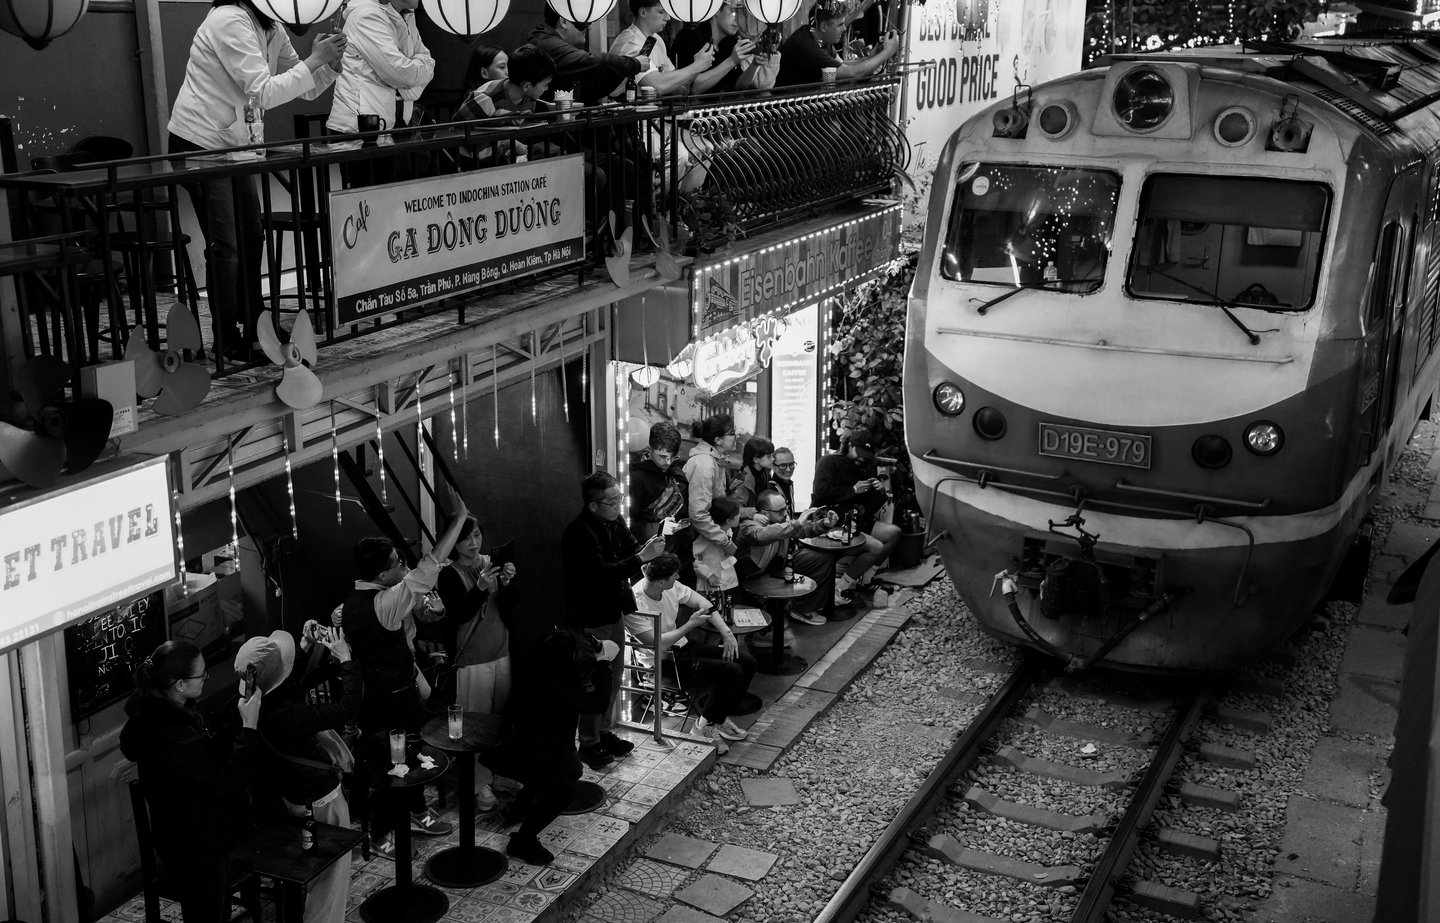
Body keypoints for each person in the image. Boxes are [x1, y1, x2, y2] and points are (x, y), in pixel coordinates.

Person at [167, 0, 345, 359]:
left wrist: (328, 64)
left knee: (251, 236)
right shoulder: (228, 19)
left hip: (233, 145)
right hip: (201, 144)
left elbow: (304, 87)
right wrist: (316, 60)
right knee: (228, 246)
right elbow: (263, 91)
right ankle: (226, 337)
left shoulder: (271, 26)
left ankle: (255, 325)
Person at [343, 487, 469, 856]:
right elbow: (427, 568)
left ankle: (414, 812)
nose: (404, 566)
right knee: (391, 764)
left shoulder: (359, 598)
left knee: (411, 753)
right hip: (385, 701)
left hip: (397, 690)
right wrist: (458, 519)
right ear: (382, 573)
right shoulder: (381, 602)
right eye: (398, 563)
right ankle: (382, 834)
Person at [119, 640, 263, 923]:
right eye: (202, 675)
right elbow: (228, 780)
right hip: (195, 843)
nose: (206, 678)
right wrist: (249, 727)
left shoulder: (158, 712)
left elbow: (208, 750)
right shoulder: (173, 735)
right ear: (180, 684)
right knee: (207, 915)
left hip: (184, 833)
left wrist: (234, 716)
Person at [236, 627, 358, 923]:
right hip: (320, 798)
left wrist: (303, 649)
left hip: (290, 797)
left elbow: (290, 684)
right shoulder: (289, 716)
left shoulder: (250, 705)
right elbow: (348, 707)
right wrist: (346, 661)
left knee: (318, 866)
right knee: (331, 871)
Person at [483, 627, 619, 864]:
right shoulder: (559, 688)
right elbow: (598, 702)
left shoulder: (535, 670)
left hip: (516, 748)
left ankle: (517, 808)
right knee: (562, 792)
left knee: (562, 773)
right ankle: (522, 840)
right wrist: (604, 663)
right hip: (531, 753)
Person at [561, 470, 666, 770]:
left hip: (613, 611)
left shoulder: (614, 521)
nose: (619, 505)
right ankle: (589, 743)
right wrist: (641, 558)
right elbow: (601, 574)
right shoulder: (578, 533)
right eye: (612, 501)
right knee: (594, 682)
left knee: (613, 678)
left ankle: (604, 733)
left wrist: (651, 548)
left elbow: (632, 546)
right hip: (589, 617)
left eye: (620, 498)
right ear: (593, 505)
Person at [625, 553, 754, 743]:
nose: (678, 578)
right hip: (662, 663)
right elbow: (657, 643)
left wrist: (726, 633)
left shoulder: (670, 586)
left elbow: (704, 604)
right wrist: (689, 625)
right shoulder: (634, 603)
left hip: (683, 650)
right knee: (731, 671)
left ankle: (716, 719)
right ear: (661, 581)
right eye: (674, 575)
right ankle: (702, 728)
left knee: (746, 661)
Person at [435, 515, 516, 811]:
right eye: (466, 538)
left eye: (478, 535)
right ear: (453, 542)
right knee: (475, 725)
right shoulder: (448, 574)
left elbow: (512, 606)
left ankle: (501, 774)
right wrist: (481, 587)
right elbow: (458, 615)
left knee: (503, 719)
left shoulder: (488, 563)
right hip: (472, 659)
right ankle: (479, 784)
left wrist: (507, 583)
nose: (473, 543)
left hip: (502, 649)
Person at [327, 0, 435, 187]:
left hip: (392, 128)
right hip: (361, 131)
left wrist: (411, 77)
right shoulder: (367, 15)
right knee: (369, 207)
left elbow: (428, 61)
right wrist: (412, 78)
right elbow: (401, 73)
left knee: (396, 204)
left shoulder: (406, 14)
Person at [811, 426, 902, 604]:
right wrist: (853, 490)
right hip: (832, 521)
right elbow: (821, 494)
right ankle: (842, 587)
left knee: (894, 533)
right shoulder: (829, 462)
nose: (861, 458)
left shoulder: (865, 466)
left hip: (856, 519)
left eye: (866, 455)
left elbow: (869, 506)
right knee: (875, 546)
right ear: (850, 445)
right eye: (859, 452)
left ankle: (865, 579)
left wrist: (879, 492)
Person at [736, 489, 840, 624]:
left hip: (778, 567)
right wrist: (795, 524)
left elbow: (802, 530)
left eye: (785, 509)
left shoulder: (784, 522)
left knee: (822, 558)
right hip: (752, 576)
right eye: (780, 512)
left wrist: (824, 524)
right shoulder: (748, 526)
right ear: (764, 513)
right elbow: (762, 535)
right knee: (777, 631)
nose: (785, 514)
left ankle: (802, 609)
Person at [455, 44, 560, 167]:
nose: (546, 89)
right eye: (545, 85)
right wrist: (507, 140)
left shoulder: (530, 98)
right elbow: (459, 129)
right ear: (526, 86)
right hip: (473, 161)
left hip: (502, 158)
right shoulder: (486, 98)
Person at [528, 6, 647, 104]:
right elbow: (590, 60)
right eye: (582, 23)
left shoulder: (559, 43)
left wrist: (624, 68)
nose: (589, 27)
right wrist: (632, 63)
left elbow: (592, 88)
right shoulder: (544, 43)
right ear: (564, 21)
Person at [685, 414, 748, 590]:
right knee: (709, 598)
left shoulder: (714, 460)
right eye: (732, 433)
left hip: (711, 537)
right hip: (702, 541)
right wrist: (725, 541)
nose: (736, 437)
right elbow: (698, 514)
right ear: (718, 440)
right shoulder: (704, 464)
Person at [774, 1, 898, 88]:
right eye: (839, 24)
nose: (844, 28)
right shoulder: (806, 46)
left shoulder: (816, 36)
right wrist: (887, 53)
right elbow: (852, 73)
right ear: (823, 27)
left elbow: (843, 64)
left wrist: (872, 57)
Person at [609, 0, 716, 97]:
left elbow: (679, 88)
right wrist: (697, 66)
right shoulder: (631, 42)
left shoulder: (657, 39)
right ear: (643, 12)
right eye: (661, 12)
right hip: (625, 114)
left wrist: (699, 65)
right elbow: (657, 86)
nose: (668, 18)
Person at [671, 0, 768, 94]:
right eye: (732, 14)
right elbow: (693, 88)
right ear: (716, 12)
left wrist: (754, 65)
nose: (736, 22)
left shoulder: (729, 42)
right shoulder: (691, 36)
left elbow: (738, 86)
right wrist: (731, 61)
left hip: (719, 107)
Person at [694, 495, 741, 595]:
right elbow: (694, 559)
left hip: (725, 578)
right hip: (709, 582)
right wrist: (708, 575)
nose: (739, 516)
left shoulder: (727, 530)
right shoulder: (707, 537)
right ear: (728, 520)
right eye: (737, 515)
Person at [729, 434, 776, 510]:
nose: (773, 459)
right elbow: (735, 509)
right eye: (769, 456)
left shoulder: (764, 472)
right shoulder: (743, 481)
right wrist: (753, 514)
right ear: (756, 459)